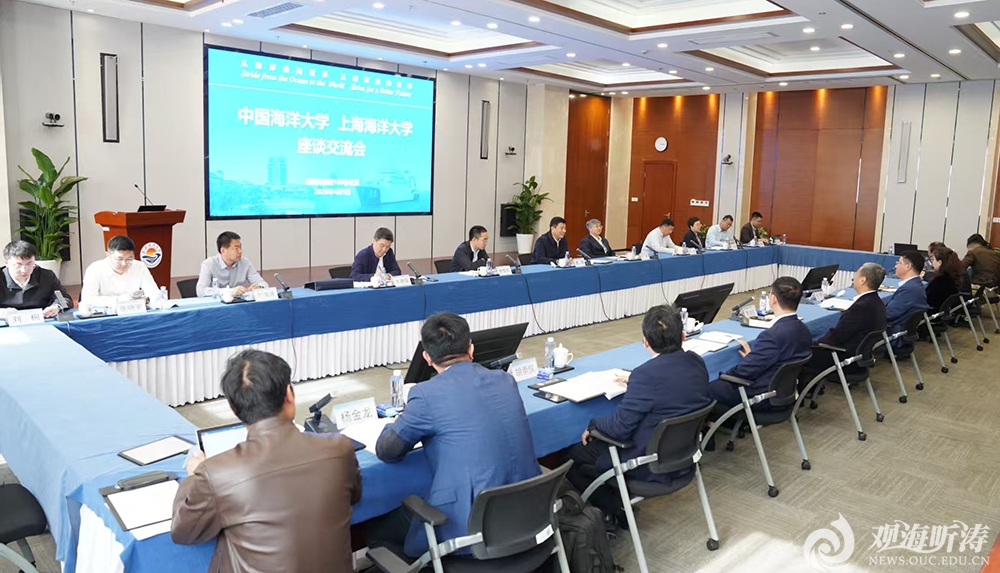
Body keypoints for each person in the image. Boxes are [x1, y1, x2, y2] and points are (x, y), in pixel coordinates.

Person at [171, 350, 362, 573]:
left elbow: (183, 532)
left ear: (234, 409)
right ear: (289, 394)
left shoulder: (215, 473)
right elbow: (354, 496)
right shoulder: (340, 448)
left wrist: (193, 476)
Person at [371, 312, 540, 558]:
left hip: (469, 535)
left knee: (377, 531)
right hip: (529, 519)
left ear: (427, 357)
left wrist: (396, 422)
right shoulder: (505, 380)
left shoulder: (426, 395)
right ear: (471, 349)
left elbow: (387, 450)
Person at [562, 305, 712, 523]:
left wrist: (593, 424)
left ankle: (615, 509)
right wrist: (638, 383)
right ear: (682, 336)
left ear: (645, 342)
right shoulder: (696, 361)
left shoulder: (645, 375)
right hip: (684, 455)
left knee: (569, 454)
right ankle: (617, 504)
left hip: (648, 463)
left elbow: (619, 429)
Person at [709, 277, 812, 409]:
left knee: (707, 386)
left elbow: (744, 372)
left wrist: (723, 374)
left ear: (773, 299)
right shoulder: (804, 329)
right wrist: (754, 357)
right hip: (784, 393)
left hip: (762, 396)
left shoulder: (772, 335)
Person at [803, 263, 887, 379]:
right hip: (858, 357)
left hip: (845, 359)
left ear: (862, 280)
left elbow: (837, 337)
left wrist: (814, 343)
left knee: (797, 351)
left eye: (856, 275)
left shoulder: (861, 307)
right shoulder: (877, 302)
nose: (854, 279)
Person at [0, 240, 73, 319]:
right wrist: (2, 312)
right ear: (7, 263)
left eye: (29, 264)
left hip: (41, 320)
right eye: (19, 265)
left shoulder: (46, 276)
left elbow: (64, 298)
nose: (24, 270)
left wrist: (57, 307)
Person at [80, 235, 159, 302]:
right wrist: (119, 300)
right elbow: (88, 299)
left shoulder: (139, 266)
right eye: (119, 259)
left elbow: (154, 293)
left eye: (129, 259)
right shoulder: (94, 269)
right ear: (108, 255)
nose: (124, 264)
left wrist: (146, 299)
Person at [196, 232, 268, 297]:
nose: (240, 251)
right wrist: (230, 291)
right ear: (223, 250)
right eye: (236, 248)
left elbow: (264, 284)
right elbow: (200, 291)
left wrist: (259, 287)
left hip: (239, 304)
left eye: (240, 247)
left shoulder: (245, 262)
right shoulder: (209, 264)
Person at [885, 251, 928, 347]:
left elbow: (888, 315)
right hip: (901, 332)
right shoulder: (916, 285)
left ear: (908, 266)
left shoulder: (909, 290)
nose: (896, 266)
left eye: (899, 263)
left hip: (893, 335)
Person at [926, 247, 968, 312]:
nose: (932, 263)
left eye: (933, 260)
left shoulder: (939, 281)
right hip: (948, 312)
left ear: (939, 262)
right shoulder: (958, 276)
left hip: (933, 313)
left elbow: (928, 299)